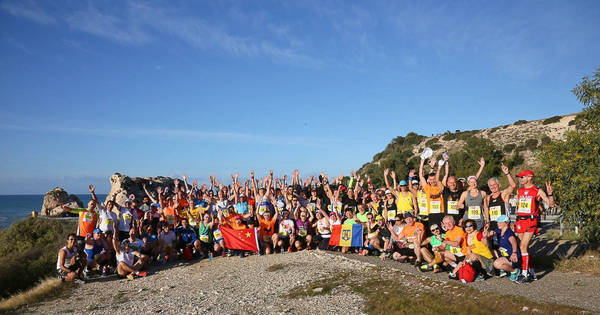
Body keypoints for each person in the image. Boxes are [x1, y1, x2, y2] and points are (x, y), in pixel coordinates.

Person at [514, 170, 554, 283]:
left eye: (522, 177)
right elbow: (519, 206)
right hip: (520, 221)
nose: (520, 179)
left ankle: (524, 274)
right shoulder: (520, 190)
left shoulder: (537, 191)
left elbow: (551, 205)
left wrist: (550, 194)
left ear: (529, 177)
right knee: (524, 248)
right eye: (519, 177)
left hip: (530, 221)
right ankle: (531, 272)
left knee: (522, 246)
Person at [482, 215, 521, 281]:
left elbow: (514, 243)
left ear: (506, 223)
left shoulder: (509, 233)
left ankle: (514, 270)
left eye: (500, 222)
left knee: (496, 264)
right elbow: (485, 243)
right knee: (490, 251)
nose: (498, 223)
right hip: (504, 254)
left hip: (512, 256)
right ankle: (504, 268)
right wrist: (485, 236)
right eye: (498, 222)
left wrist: (514, 253)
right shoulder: (499, 231)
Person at [487, 163, 517, 230]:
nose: (493, 187)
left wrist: (507, 173)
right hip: (493, 226)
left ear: (499, 185)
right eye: (491, 185)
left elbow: (513, 185)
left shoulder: (503, 194)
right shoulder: (488, 198)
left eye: (495, 184)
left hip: (504, 225)